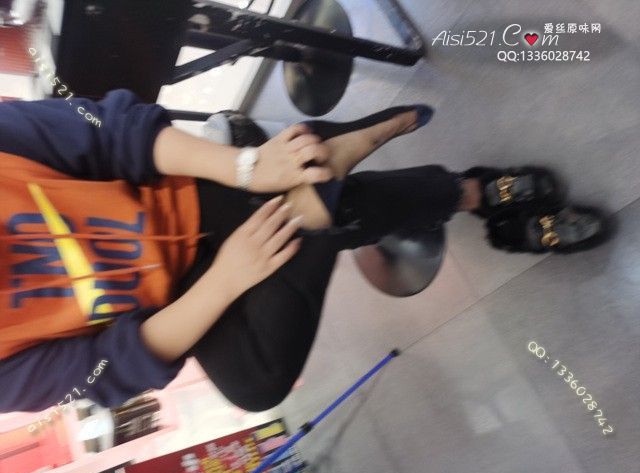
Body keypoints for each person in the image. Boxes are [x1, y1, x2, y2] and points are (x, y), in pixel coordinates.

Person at [0, 89, 608, 414]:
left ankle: (463, 193)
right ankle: (336, 194)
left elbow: (111, 132)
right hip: (177, 299)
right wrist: (226, 279)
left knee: (297, 207)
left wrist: (245, 167)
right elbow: (109, 367)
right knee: (258, 384)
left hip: (185, 184)